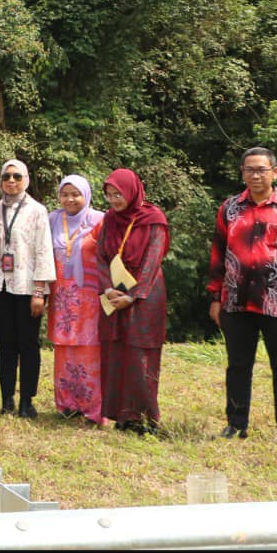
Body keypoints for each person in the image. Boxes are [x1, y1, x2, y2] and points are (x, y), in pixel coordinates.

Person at [208, 146, 277, 447]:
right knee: (238, 365)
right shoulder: (229, 208)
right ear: (242, 173)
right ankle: (235, 424)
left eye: (261, 169)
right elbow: (218, 255)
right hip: (235, 300)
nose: (255, 175)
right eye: (249, 170)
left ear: (275, 172)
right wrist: (215, 296)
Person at [97, 169, 169, 436]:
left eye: (119, 194)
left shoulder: (153, 219)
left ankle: (147, 418)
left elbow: (153, 260)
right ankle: (123, 415)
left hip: (145, 296)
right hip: (114, 294)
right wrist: (107, 288)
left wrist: (133, 295)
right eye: (110, 195)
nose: (114, 200)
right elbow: (101, 256)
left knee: (141, 353)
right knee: (116, 353)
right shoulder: (109, 220)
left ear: (132, 191)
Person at [0, 159, 53, 419]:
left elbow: (44, 250)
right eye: (6, 176)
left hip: (27, 286)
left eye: (16, 176)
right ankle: (6, 400)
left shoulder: (37, 210)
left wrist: (39, 291)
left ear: (26, 180)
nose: (11, 181)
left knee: (28, 344)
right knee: (5, 345)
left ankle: (27, 401)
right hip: (0, 284)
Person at [46, 174, 104, 425]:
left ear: (86, 195)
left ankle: (93, 407)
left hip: (90, 295)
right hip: (61, 295)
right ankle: (67, 403)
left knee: (90, 349)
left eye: (75, 194)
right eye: (65, 194)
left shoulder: (100, 220)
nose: (70, 199)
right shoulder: (52, 220)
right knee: (64, 349)